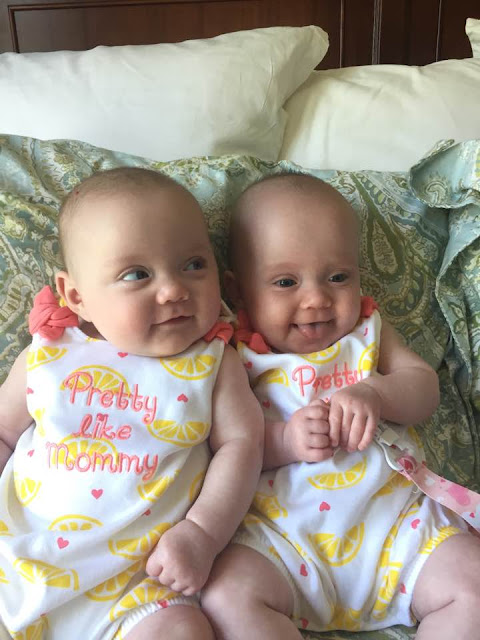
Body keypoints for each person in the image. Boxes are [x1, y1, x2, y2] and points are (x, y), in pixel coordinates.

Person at [201, 173, 480, 640]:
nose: (317, 299)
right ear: (238, 290)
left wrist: (377, 393)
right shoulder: (233, 356)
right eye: (286, 282)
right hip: (281, 541)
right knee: (224, 596)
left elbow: (424, 388)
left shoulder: (367, 331)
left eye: (338, 277)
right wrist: (286, 440)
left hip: (399, 532)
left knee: (474, 582)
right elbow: (223, 445)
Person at [0, 167, 264, 640]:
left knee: (183, 630)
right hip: (17, 566)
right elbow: (3, 431)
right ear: (76, 296)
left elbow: (243, 446)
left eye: (194, 265)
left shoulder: (212, 362)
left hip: (138, 587)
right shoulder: (48, 356)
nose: (174, 289)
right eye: (137, 274)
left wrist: (202, 533)